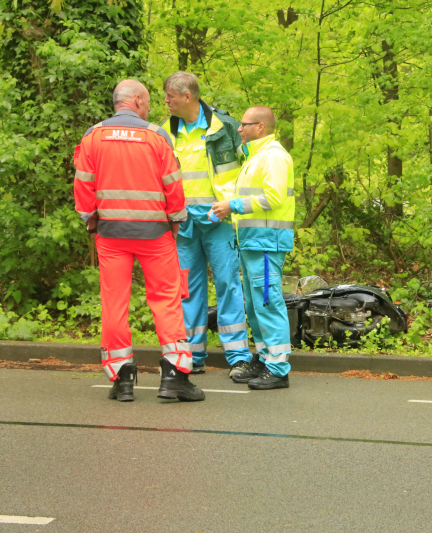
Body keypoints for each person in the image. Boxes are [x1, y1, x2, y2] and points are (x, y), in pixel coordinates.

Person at [73, 79, 204, 402]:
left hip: (111, 234)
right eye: (147, 102)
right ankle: (174, 376)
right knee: (167, 300)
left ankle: (122, 378)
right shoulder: (156, 137)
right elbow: (173, 186)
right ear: (136, 100)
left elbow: (83, 187)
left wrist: (91, 221)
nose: (149, 108)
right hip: (155, 235)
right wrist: (175, 222)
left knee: (114, 302)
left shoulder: (93, 137)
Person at [159, 72, 254, 378]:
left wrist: (234, 206)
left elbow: (249, 168)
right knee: (188, 290)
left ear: (188, 96)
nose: (165, 101)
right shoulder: (164, 131)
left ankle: (238, 356)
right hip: (183, 222)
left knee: (228, 284)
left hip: (219, 220)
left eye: (170, 96)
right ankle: (192, 355)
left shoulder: (225, 127)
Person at [211, 106, 295, 390]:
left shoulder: (273, 157)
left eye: (244, 124)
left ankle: (279, 368)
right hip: (253, 242)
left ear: (259, 127)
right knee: (256, 304)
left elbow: (272, 197)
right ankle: (265, 357)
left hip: (267, 243)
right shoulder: (256, 156)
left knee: (268, 302)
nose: (238, 129)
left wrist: (231, 205)